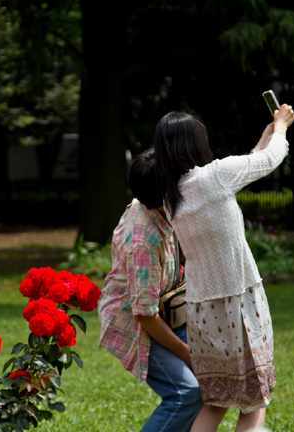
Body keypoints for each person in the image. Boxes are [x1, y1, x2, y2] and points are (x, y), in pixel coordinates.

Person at [153, 105, 294, 432]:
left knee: (215, 404)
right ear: (196, 143)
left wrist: (267, 134)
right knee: (254, 405)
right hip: (240, 306)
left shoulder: (171, 197)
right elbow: (270, 159)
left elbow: (248, 164)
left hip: (202, 314)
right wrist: (283, 127)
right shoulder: (215, 176)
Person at [98, 148, 203, 432]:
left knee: (206, 382)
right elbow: (144, 314)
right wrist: (186, 353)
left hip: (164, 314)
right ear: (165, 192)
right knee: (186, 394)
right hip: (136, 324)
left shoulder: (151, 203)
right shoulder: (143, 241)